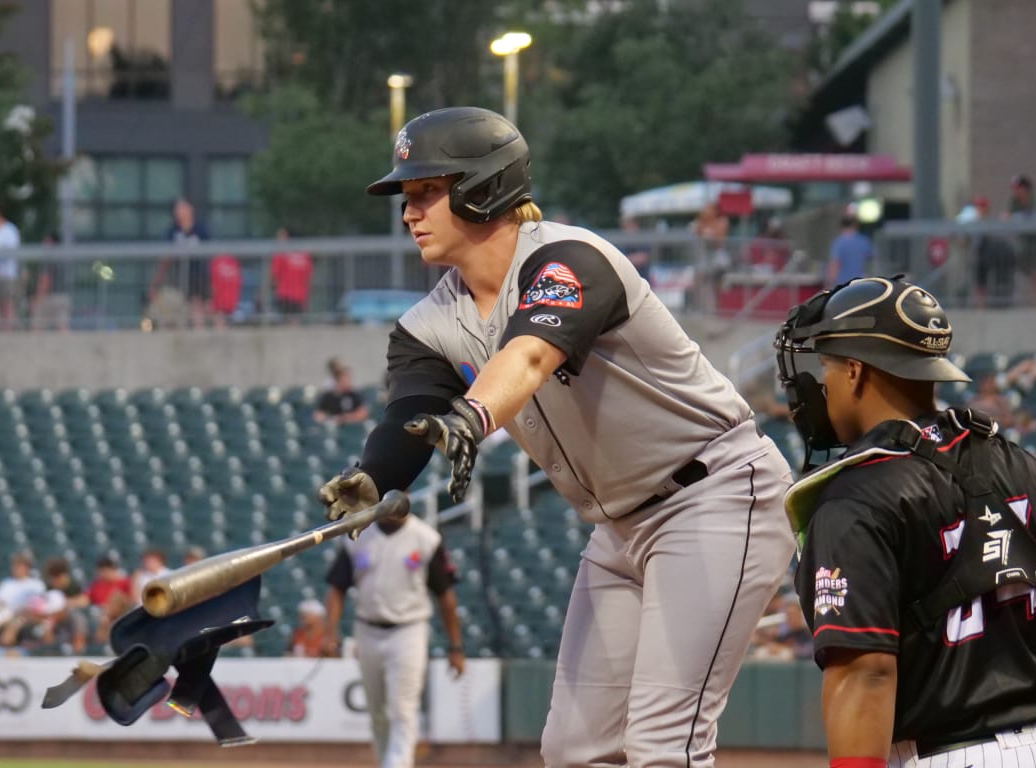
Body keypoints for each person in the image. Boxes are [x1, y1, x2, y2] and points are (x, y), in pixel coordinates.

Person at [317, 106, 796, 768]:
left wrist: (474, 416)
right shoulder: (429, 322)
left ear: (482, 187)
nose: (409, 211)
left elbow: (532, 354)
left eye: (426, 190)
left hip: (714, 494)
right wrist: (373, 477)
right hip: (618, 528)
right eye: (407, 194)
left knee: (665, 745)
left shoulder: (571, 260)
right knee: (575, 749)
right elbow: (411, 416)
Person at [774, 275, 1036, 767]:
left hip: (948, 754)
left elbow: (864, 675)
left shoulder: (854, 498)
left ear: (854, 371)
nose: (821, 383)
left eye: (827, 365)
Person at [324, 506, 463, 768]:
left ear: (406, 497)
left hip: (408, 630)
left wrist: (455, 646)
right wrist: (329, 632)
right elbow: (336, 588)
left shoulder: (425, 537)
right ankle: (387, 762)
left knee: (402, 708)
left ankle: (397, 764)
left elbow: (446, 596)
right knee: (377, 712)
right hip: (367, 629)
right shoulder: (358, 535)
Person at [0, 557, 87, 655]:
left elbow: (84, 601)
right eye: (53, 577)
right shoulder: (49, 586)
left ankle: (77, 649)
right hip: (48, 615)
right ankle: (12, 646)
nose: (54, 580)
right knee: (24, 617)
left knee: (78, 618)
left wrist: (65, 602)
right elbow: (42, 603)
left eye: (57, 577)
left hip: (65, 615)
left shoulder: (72, 586)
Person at [153, 198, 212, 329]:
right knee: (179, 306)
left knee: (199, 305)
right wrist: (155, 284)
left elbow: (211, 253)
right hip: (179, 277)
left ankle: (200, 331)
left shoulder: (200, 229)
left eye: (183, 208)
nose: (180, 212)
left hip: (199, 275)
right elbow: (165, 258)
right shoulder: (172, 231)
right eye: (177, 209)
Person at [1007, 175, 1036, 305]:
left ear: (1025, 189)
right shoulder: (1014, 202)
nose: (1014, 192)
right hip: (1025, 241)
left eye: (1017, 189)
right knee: (1023, 270)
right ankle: (1026, 301)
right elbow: (1010, 217)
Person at [269, 227, 314, 323]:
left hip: (285, 294)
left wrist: (273, 289)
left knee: (287, 322)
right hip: (299, 295)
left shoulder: (280, 253)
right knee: (295, 321)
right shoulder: (304, 254)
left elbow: (274, 275)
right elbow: (308, 278)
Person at [86, 555, 133, 645]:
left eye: (105, 571)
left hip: (120, 614)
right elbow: (87, 598)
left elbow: (129, 600)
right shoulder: (97, 585)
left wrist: (109, 608)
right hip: (100, 613)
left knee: (116, 597)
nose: (103, 574)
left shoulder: (124, 582)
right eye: (100, 571)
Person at [31, 233, 72, 331]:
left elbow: (45, 280)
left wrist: (37, 299)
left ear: (52, 242)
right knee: (63, 327)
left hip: (49, 297)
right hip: (63, 296)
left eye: (46, 241)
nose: (43, 244)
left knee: (36, 326)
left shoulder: (47, 258)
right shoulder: (63, 258)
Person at [315, 360, 369, 425]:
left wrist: (345, 418)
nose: (348, 381)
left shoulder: (354, 395)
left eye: (349, 378)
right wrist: (328, 419)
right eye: (345, 379)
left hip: (351, 427)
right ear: (338, 380)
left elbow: (363, 413)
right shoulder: (328, 396)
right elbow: (318, 415)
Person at [826, 215, 873, 287]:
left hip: (842, 283)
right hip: (860, 282)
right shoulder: (864, 241)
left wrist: (829, 282)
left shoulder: (839, 242)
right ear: (856, 226)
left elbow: (835, 264)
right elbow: (870, 260)